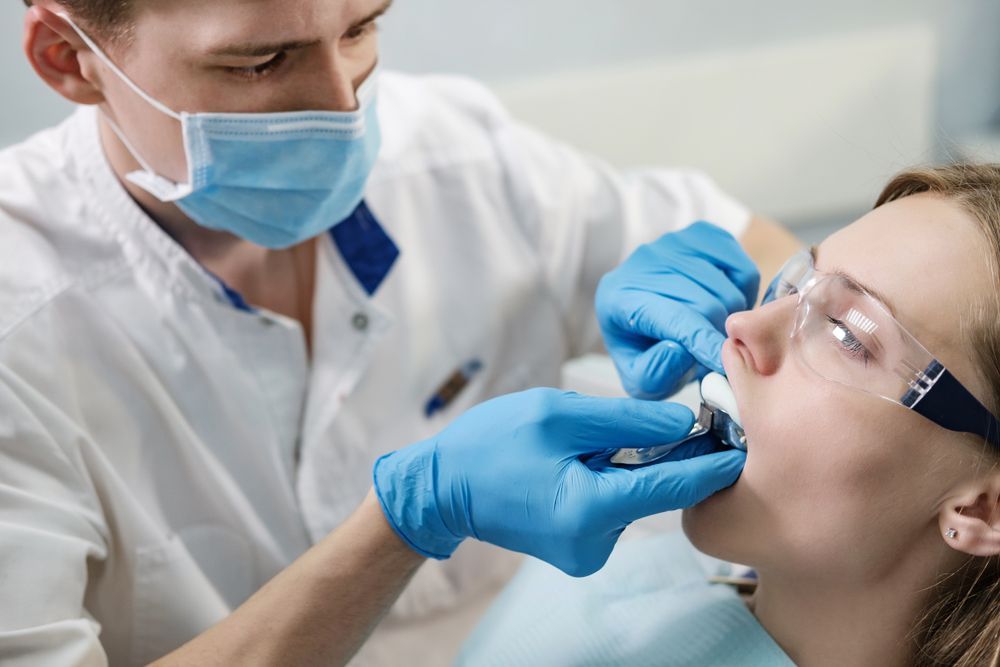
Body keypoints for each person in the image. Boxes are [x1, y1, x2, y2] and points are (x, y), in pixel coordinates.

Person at [0, 0, 802, 665]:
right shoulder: (21, 322)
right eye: (260, 63)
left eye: (359, 28)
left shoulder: (450, 153)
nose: (343, 103)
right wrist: (402, 525)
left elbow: (766, 250)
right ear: (70, 57)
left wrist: (763, 295)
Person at [455, 163, 1000, 667]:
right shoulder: (632, 585)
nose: (744, 324)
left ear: (984, 509)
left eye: (847, 334)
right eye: (796, 284)